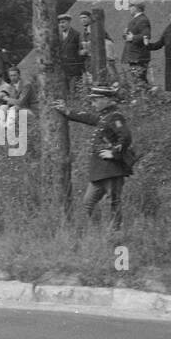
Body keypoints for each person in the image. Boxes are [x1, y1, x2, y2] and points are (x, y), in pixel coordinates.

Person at [50, 84, 133, 231]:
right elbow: (88, 117)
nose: (93, 104)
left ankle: (114, 235)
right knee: (88, 202)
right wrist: (67, 111)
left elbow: (125, 137)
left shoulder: (115, 117)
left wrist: (114, 153)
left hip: (112, 170)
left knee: (113, 202)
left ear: (106, 99)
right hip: (100, 171)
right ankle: (99, 232)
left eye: (95, 100)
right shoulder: (105, 116)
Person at [121, 0, 152, 90]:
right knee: (137, 79)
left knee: (140, 80)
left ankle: (146, 98)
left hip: (139, 56)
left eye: (131, 6)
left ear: (137, 8)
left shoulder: (143, 20)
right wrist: (126, 35)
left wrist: (132, 38)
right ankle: (143, 98)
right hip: (134, 56)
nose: (129, 9)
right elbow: (131, 35)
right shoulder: (134, 20)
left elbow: (146, 35)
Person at [58, 14, 84, 93]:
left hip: (74, 69)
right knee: (64, 92)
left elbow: (81, 51)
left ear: (69, 22)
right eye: (60, 23)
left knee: (74, 91)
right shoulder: (58, 36)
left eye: (63, 22)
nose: (61, 25)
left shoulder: (76, 35)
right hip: (63, 68)